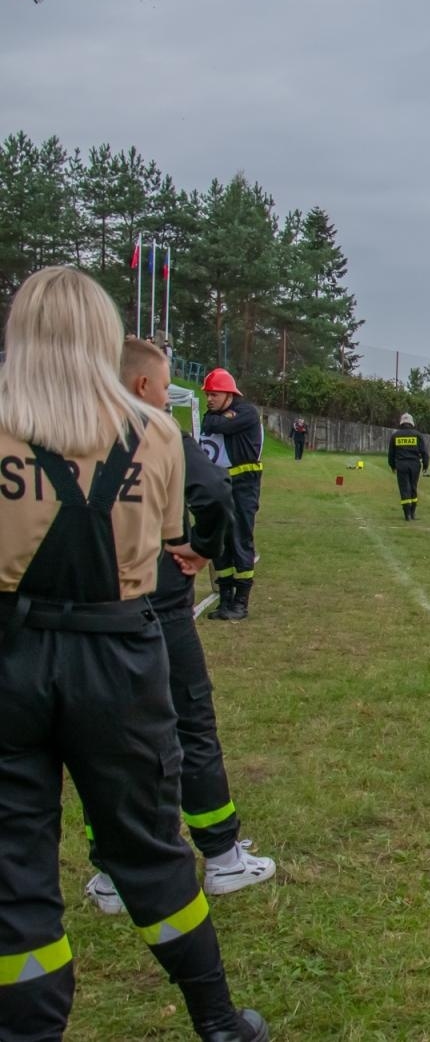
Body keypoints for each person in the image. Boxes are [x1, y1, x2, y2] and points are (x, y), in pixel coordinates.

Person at [0, 267, 267, 1041]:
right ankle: (217, 1019)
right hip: (118, 651)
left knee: (16, 871)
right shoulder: (156, 434)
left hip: (12, 649)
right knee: (149, 848)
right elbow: (179, 534)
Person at [81, 338, 277, 918]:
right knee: (190, 723)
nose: (170, 395)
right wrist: (197, 548)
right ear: (143, 386)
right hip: (158, 603)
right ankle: (220, 857)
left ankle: (114, 875)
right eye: (166, 385)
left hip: (90, 608)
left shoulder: (66, 430)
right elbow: (213, 492)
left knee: (105, 741)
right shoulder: (160, 432)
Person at [199, 368, 262, 621]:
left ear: (228, 394)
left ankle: (240, 602)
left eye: (214, 394)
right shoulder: (217, 413)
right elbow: (209, 422)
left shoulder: (247, 412)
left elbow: (220, 425)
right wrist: (218, 418)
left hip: (244, 485)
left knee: (240, 540)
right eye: (208, 396)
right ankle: (225, 598)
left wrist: (221, 420)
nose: (209, 400)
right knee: (221, 542)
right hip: (222, 484)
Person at [387, 412, 430, 521]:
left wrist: (392, 466)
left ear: (401, 423)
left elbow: (391, 453)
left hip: (401, 465)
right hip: (415, 465)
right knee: (413, 487)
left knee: (404, 488)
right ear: (411, 423)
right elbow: (424, 452)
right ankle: (413, 513)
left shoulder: (395, 435)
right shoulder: (418, 435)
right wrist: (425, 464)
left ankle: (407, 515)